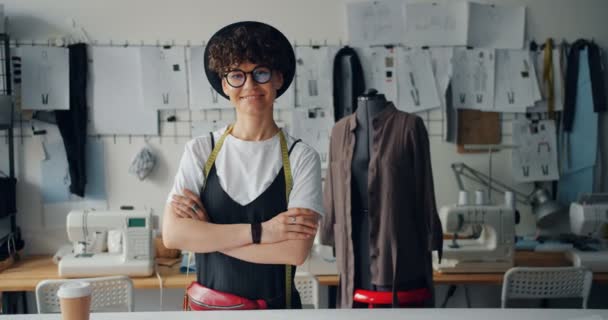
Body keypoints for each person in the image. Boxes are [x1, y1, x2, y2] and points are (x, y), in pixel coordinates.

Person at [162, 21, 323, 310]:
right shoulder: (201, 150)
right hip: (208, 313)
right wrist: (263, 233)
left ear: (278, 79)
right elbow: (174, 235)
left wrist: (207, 234)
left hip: (277, 313)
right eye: (237, 75)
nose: (249, 85)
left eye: (260, 73)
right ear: (225, 85)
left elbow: (295, 251)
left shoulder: (301, 158)